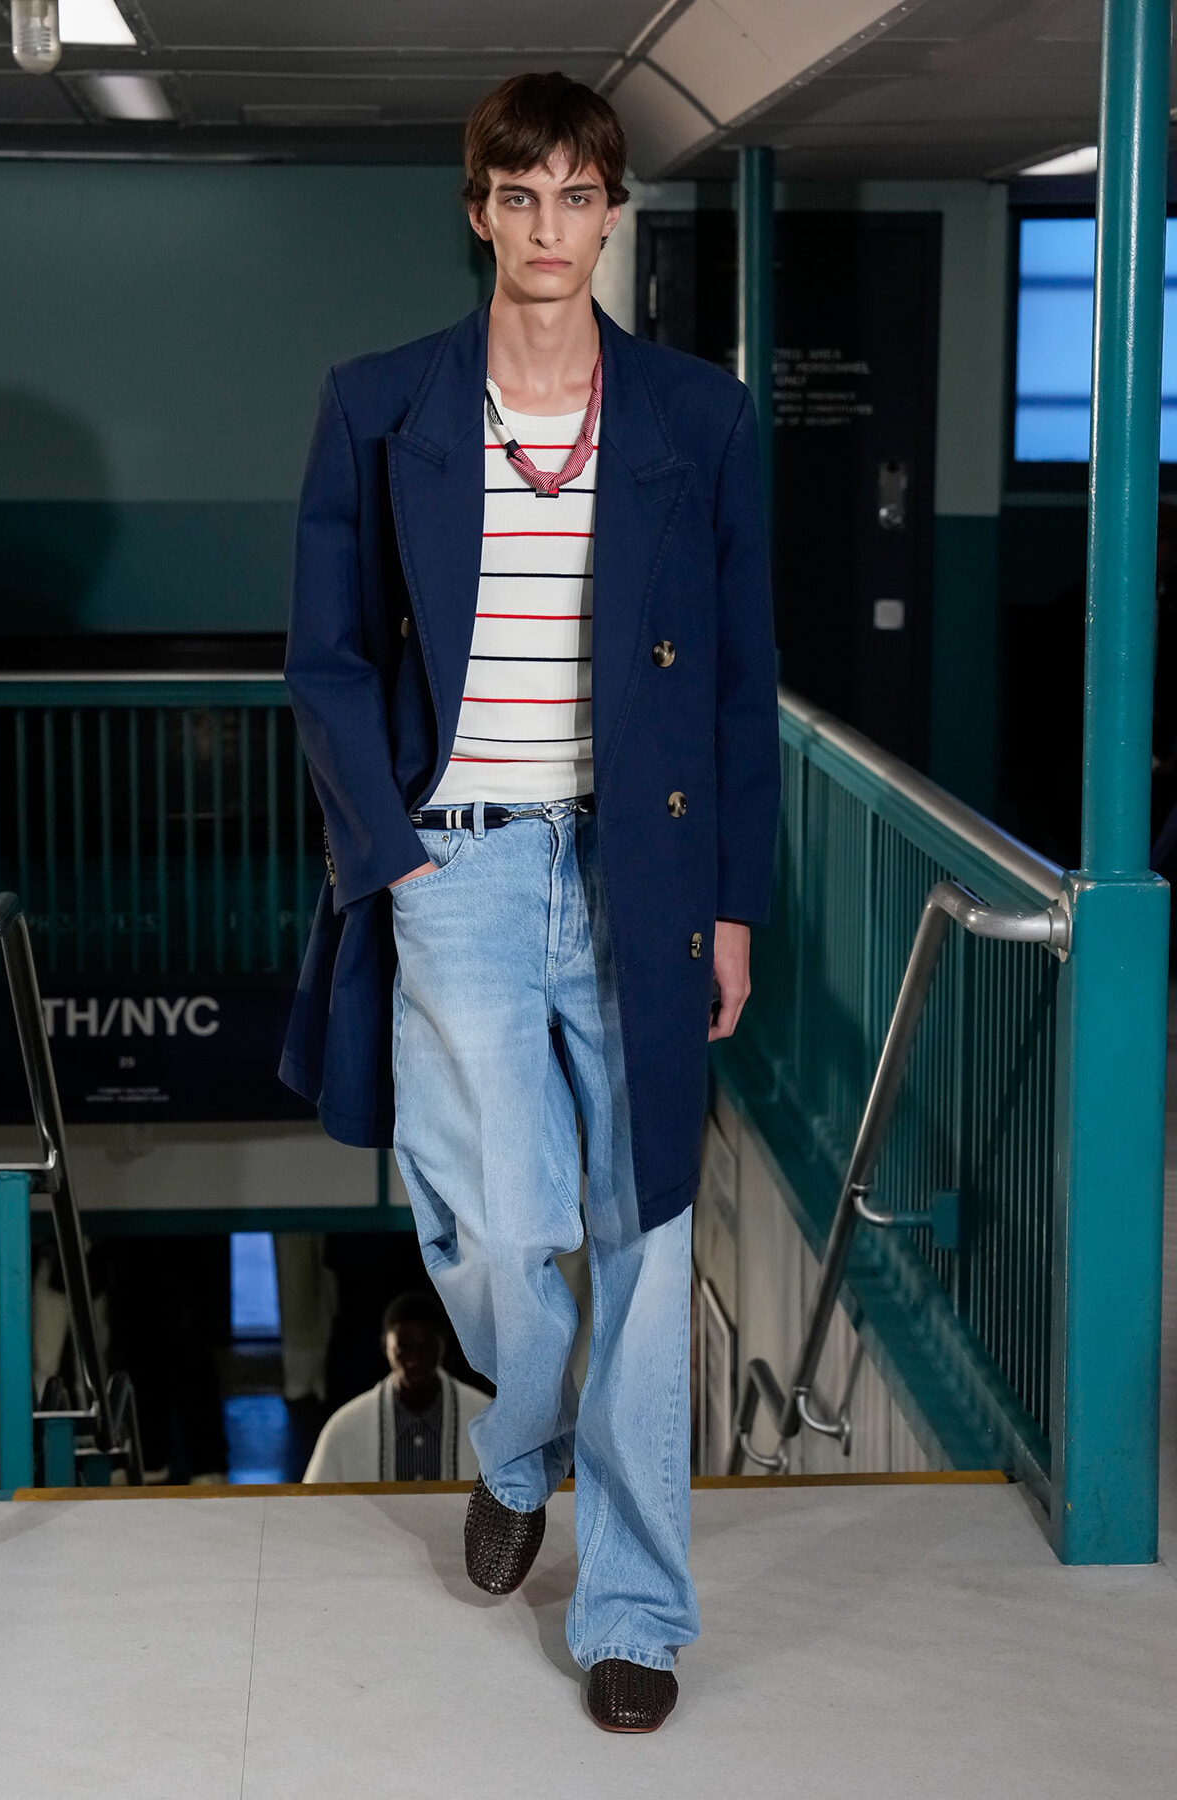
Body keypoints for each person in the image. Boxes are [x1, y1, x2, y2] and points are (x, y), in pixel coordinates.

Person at [278, 70, 780, 1732]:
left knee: (638, 1232)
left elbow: (737, 675)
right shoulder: (380, 402)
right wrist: (401, 851)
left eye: (581, 196)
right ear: (479, 209)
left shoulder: (698, 420)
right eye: (522, 194)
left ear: (609, 215)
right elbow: (329, 658)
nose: (551, 227)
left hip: (640, 863)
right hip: (466, 860)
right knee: (492, 1220)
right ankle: (518, 1437)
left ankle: (633, 1608)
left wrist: (732, 903)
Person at [303, 1290, 486, 1482]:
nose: (414, 1361)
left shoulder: (485, 1421)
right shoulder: (344, 1427)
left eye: (425, 1348)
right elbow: (315, 1505)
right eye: (403, 1349)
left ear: (443, 1345)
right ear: (385, 1346)